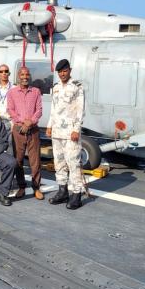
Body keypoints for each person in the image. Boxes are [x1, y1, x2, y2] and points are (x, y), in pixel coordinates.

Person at [47, 59, 86, 209]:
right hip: (57, 132)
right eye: (60, 72)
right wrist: (50, 125)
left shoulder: (77, 86)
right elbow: (54, 108)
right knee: (59, 163)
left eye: (65, 71)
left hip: (70, 132)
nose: (62, 74)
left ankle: (76, 195)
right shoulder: (56, 87)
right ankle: (62, 191)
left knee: (73, 163)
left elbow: (80, 109)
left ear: (70, 70)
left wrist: (76, 129)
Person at [7, 67, 44, 200]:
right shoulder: (12, 92)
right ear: (18, 76)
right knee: (18, 160)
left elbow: (39, 110)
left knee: (35, 161)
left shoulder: (36, 91)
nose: (25, 77)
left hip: (33, 130)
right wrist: (23, 122)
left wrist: (30, 122)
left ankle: (36, 188)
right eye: (22, 74)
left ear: (30, 76)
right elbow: (10, 110)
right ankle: (21, 186)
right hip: (18, 130)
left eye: (27, 74)